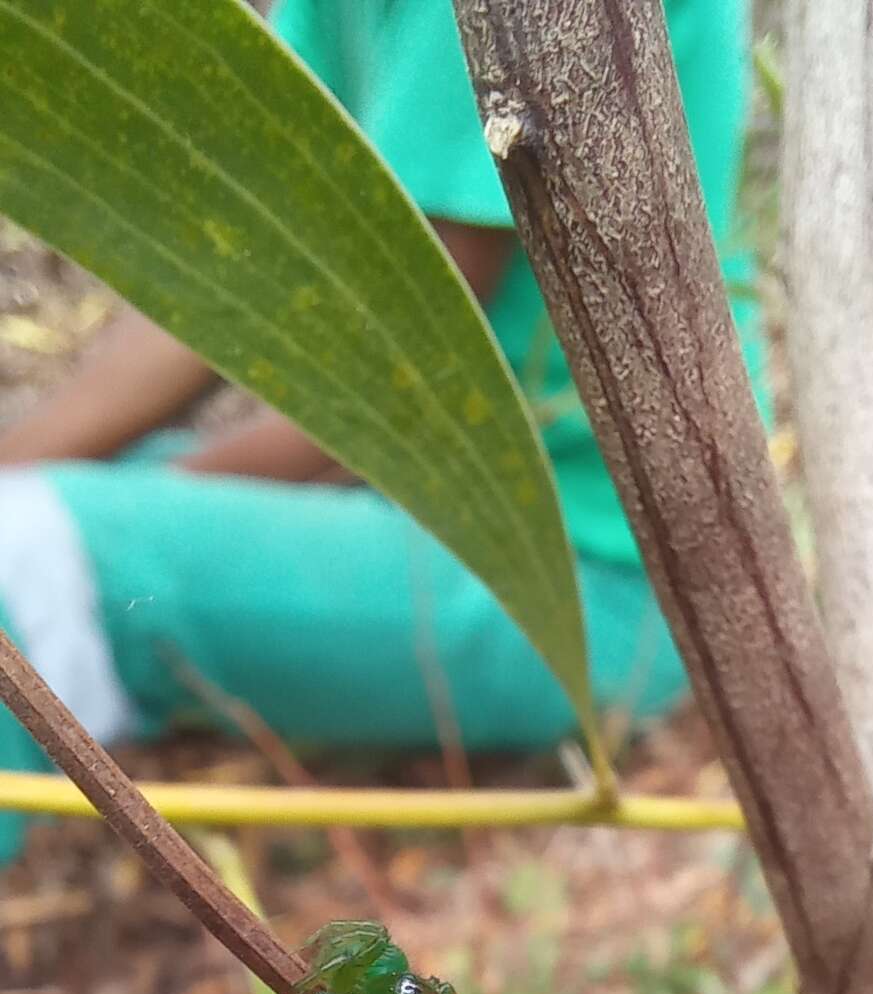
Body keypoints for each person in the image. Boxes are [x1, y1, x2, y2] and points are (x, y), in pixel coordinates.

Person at [0, 0, 766, 865]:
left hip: (605, 584)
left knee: (28, 558)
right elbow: (223, 266)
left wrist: (124, 503)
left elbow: (407, 377)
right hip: (434, 515)